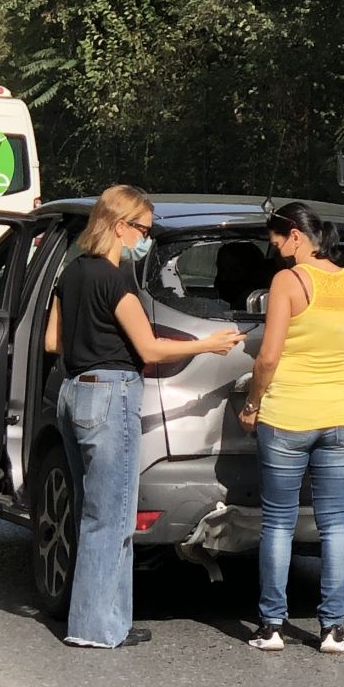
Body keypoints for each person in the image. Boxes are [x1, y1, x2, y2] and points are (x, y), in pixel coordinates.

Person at [44, 185, 242, 648]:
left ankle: (105, 621)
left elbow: (52, 341)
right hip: (111, 394)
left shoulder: (71, 273)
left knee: (93, 514)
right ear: (120, 226)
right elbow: (149, 349)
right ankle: (96, 628)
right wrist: (207, 344)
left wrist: (91, 341)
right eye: (144, 230)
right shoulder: (117, 281)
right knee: (113, 518)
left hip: (73, 392)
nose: (146, 240)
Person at [240, 202, 344, 655]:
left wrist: (252, 404)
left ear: (295, 235)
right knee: (335, 523)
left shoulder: (288, 282)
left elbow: (268, 357)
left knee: (279, 522)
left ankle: (272, 625)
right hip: (341, 416)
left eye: (276, 242)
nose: (276, 251)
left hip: (288, 416)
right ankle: (333, 629)